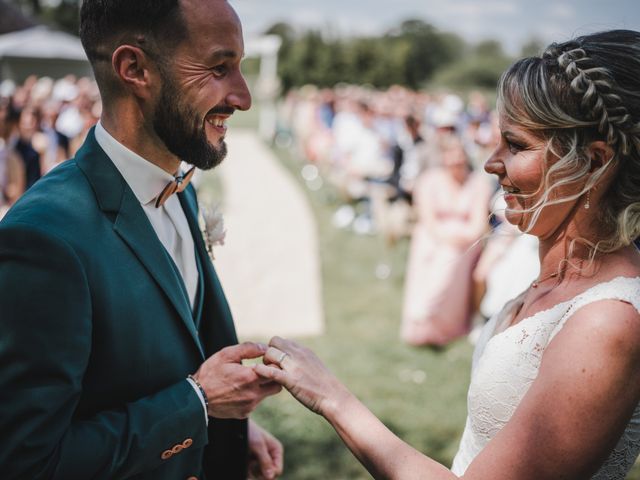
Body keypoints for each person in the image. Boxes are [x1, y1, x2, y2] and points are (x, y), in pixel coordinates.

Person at [255, 30, 640, 479]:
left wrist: (332, 398)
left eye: (516, 146)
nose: (490, 163)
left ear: (594, 162)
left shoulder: (607, 322)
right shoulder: (556, 277)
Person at [0, 1, 283, 479]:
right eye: (219, 68)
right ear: (134, 69)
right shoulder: (44, 240)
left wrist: (227, 431)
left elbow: (160, 360)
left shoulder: (181, 192)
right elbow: (27, 462)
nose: (243, 96)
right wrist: (197, 404)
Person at [401, 134, 492, 346]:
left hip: (465, 241)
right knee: (435, 252)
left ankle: (435, 315)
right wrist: (445, 237)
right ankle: (422, 322)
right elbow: (428, 219)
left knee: (450, 259)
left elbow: (479, 224)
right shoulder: (429, 180)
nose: (455, 162)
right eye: (450, 156)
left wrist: (460, 238)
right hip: (433, 237)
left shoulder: (478, 183)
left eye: (459, 156)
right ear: (442, 158)